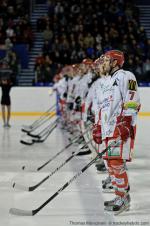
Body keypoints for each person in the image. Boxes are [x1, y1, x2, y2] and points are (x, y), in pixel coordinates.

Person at [93, 50, 141, 214]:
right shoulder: (106, 82)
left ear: (115, 62)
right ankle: (119, 195)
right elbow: (101, 107)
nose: (103, 63)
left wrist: (126, 121)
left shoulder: (127, 75)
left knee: (116, 162)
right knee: (110, 164)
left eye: (106, 60)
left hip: (119, 128)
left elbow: (133, 98)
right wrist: (98, 126)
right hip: (107, 130)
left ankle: (124, 198)